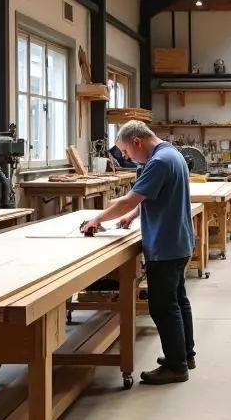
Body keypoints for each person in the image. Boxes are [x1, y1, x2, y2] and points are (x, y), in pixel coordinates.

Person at [81, 121, 195, 385]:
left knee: (163, 307)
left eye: (127, 153)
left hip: (165, 245)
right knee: (178, 302)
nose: (127, 158)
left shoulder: (158, 162)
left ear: (137, 142)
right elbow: (152, 197)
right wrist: (134, 215)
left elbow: (128, 199)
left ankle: (177, 366)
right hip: (178, 241)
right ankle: (184, 354)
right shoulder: (171, 153)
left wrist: (97, 220)